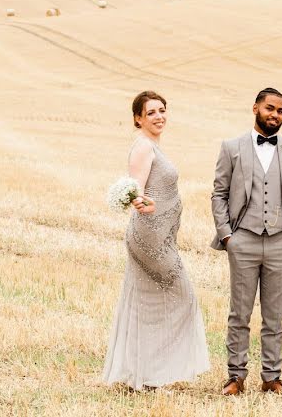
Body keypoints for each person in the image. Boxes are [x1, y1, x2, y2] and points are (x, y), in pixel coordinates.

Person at [102, 91, 209, 390]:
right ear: (138, 118)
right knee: (182, 297)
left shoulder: (153, 146)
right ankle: (153, 373)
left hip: (162, 238)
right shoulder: (143, 148)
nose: (159, 116)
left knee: (150, 303)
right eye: (151, 112)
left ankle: (148, 375)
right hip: (149, 239)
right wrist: (141, 202)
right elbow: (134, 187)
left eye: (162, 110)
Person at [211, 87, 282, 396]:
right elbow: (219, 193)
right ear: (256, 108)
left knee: (275, 315)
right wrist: (227, 235)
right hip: (243, 240)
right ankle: (236, 376)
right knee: (239, 313)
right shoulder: (232, 147)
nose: (275, 115)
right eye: (270, 108)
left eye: (280, 111)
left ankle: (272, 377)